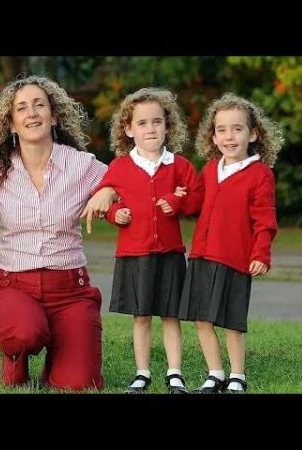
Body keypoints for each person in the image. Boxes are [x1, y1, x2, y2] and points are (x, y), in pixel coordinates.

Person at [0, 75, 117, 391]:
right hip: (14, 287)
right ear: (12, 123)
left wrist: (111, 190)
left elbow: (128, 187)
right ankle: (16, 355)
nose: (31, 113)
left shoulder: (82, 166)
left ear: (54, 115)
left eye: (39, 105)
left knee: (79, 384)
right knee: (24, 331)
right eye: (22, 108)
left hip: (70, 291)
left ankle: (60, 349)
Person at [95, 87, 203, 394]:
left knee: (171, 316)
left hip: (170, 253)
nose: (150, 128)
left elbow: (197, 199)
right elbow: (101, 201)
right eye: (142, 123)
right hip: (134, 254)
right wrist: (116, 214)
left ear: (168, 126)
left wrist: (178, 203)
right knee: (140, 316)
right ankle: (142, 373)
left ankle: (174, 373)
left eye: (157, 122)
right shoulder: (119, 167)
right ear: (128, 129)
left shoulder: (179, 165)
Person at [178, 92, 284, 393]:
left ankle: (237, 375)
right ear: (213, 136)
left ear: (253, 133)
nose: (229, 136)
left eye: (237, 128)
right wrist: (178, 200)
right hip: (201, 256)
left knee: (231, 321)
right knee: (201, 318)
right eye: (221, 129)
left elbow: (265, 221)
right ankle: (215, 373)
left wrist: (261, 253)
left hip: (236, 258)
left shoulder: (260, 174)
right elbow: (195, 203)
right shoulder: (210, 170)